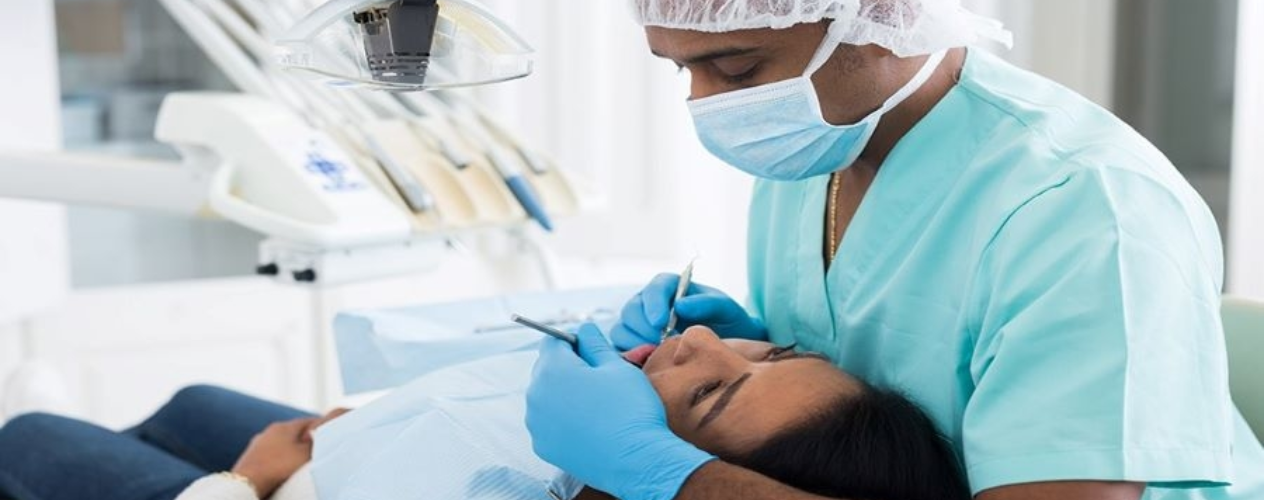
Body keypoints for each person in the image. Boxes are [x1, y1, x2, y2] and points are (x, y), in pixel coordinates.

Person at [523, 1, 1264, 500]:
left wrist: (668, 475)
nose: (707, 103)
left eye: (740, 70)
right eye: (682, 68)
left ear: (878, 19)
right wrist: (757, 351)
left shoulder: (1088, 214)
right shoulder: (817, 145)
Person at [0, 327, 967, 500]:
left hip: (273, 487)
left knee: (36, 438)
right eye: (776, 354)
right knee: (192, 399)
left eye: (709, 394)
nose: (697, 343)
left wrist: (242, 482)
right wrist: (381, 419)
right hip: (338, 457)